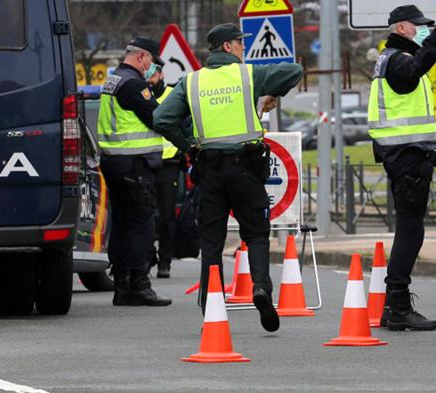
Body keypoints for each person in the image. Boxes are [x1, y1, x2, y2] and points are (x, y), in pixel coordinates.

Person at [153, 23, 303, 332]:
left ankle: (211, 305)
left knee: (211, 241)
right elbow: (295, 70)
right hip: (246, 168)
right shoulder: (248, 76)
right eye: (238, 43)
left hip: (210, 170)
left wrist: (188, 147)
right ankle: (261, 289)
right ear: (226, 47)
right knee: (256, 234)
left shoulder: (191, 82)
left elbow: (161, 118)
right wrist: (270, 90)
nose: (242, 48)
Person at [368, 1, 436, 331]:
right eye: (418, 25)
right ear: (402, 29)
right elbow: (416, 69)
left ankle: (395, 305)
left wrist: (429, 147)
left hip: (408, 154)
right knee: (410, 230)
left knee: (411, 228)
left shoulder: (391, 59)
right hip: (404, 157)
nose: (422, 29)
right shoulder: (398, 60)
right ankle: (397, 305)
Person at [97, 37, 188, 306]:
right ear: (142, 57)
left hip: (116, 162)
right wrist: (187, 144)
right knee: (142, 223)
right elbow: (159, 118)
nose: (152, 68)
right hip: (134, 164)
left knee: (123, 223)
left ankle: (122, 283)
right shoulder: (134, 85)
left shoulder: (112, 80)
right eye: (152, 62)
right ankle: (139, 283)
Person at [145, 66, 187, 279]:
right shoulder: (141, 96)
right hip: (147, 161)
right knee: (145, 216)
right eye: (146, 76)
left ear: (161, 74)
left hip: (169, 164)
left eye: (152, 75)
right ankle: (149, 255)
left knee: (167, 217)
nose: (149, 80)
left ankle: (164, 262)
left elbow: (186, 124)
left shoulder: (173, 94)